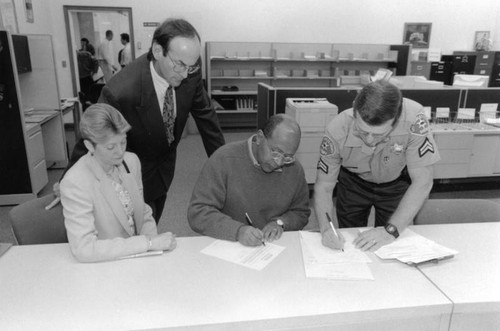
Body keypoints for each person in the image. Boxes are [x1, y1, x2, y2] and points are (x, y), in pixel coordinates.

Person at [64, 18, 225, 223]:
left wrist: (224, 165)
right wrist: (67, 181)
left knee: (152, 223)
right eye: (180, 65)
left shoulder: (189, 66)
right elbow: (92, 134)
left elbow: (206, 116)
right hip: (131, 172)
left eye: (191, 67)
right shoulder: (121, 91)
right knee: (132, 232)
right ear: (158, 51)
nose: (185, 74)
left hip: (165, 165)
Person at [313, 81, 440, 252]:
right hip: (353, 184)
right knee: (351, 242)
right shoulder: (337, 129)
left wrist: (391, 230)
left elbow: (423, 181)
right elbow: (324, 186)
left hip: (395, 184)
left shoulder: (414, 119)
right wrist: (326, 229)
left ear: (396, 120)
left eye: (379, 134)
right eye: (363, 131)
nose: (370, 140)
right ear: (354, 109)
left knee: (391, 244)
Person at [60, 104, 176, 263]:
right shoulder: (75, 182)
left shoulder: (131, 161)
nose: (120, 152)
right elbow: (84, 249)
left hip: (137, 257)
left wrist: (155, 247)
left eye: (123, 142)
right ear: (89, 145)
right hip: (104, 264)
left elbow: (142, 212)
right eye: (110, 147)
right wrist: (147, 244)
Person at [188, 114, 310, 246]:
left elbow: (301, 212)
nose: (278, 162)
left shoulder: (294, 169)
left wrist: (280, 223)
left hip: (272, 246)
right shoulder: (224, 159)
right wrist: (237, 230)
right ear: (259, 137)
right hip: (229, 245)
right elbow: (198, 212)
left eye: (287, 157)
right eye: (275, 152)